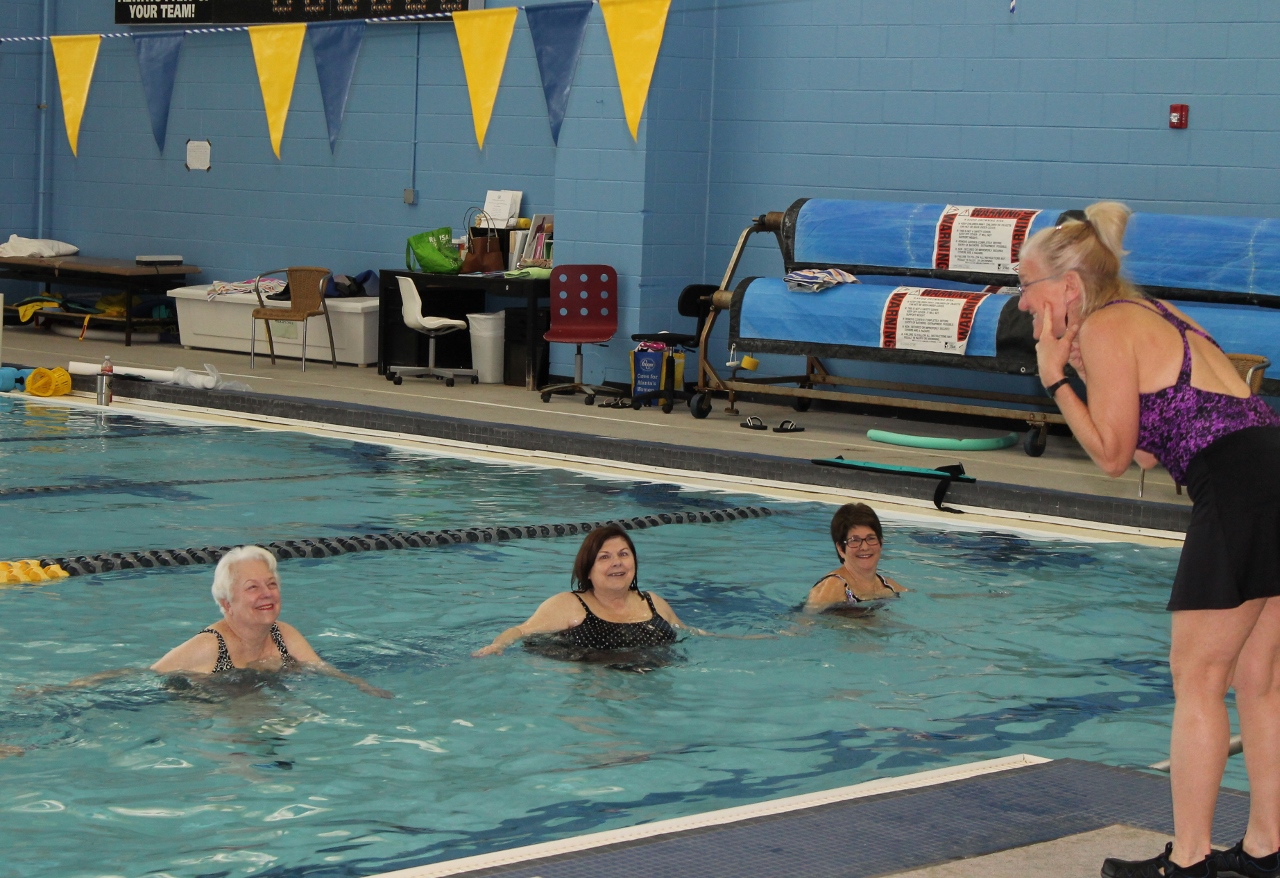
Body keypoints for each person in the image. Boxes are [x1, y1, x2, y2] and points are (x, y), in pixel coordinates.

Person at [1017, 202, 1280, 878]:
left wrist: (1055, 378)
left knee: (1198, 678)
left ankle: (1189, 861)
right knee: (1259, 680)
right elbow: (1143, 451)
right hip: (1270, 467)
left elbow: (1111, 458)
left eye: (1026, 286)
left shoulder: (1107, 326)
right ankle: (1267, 849)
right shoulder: (1153, 314)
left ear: (1067, 287)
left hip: (1240, 487)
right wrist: (1086, 374)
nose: (1022, 304)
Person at [152, 546, 392, 698]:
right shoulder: (211, 645)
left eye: (271, 584)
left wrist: (360, 684)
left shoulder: (283, 635)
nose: (266, 594)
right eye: (252, 587)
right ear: (227, 603)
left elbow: (320, 668)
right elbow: (150, 680)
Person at [474, 525, 696, 657]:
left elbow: (689, 633)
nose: (617, 563)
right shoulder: (569, 605)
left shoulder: (653, 602)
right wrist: (498, 645)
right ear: (588, 570)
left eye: (623, 554)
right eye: (604, 557)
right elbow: (521, 631)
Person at [805, 503, 905, 613]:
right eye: (854, 540)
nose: (865, 547)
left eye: (871, 538)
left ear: (881, 543)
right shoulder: (833, 587)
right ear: (841, 549)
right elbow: (804, 619)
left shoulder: (889, 586)